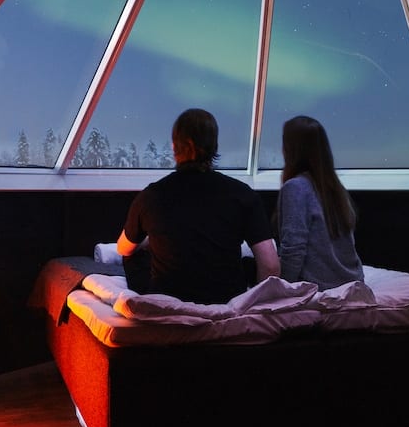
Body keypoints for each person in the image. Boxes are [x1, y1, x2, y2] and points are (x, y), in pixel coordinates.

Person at [116, 108, 279, 304]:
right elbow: (270, 266)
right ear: (215, 146)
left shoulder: (152, 196)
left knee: (132, 256)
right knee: (246, 265)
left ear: (174, 146)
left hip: (167, 296)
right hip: (225, 297)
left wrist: (150, 242)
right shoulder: (242, 195)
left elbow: (123, 249)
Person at [274, 115, 364, 288]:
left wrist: (283, 289)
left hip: (320, 287)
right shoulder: (334, 188)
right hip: (353, 282)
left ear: (291, 149)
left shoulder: (296, 187)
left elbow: (293, 249)